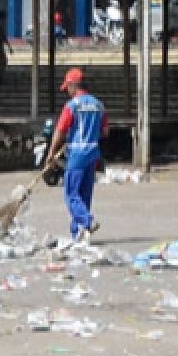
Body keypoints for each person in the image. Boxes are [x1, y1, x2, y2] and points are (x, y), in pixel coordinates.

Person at [45, 68, 108, 243]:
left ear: (73, 85)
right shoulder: (98, 105)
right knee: (84, 194)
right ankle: (78, 234)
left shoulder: (72, 106)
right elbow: (105, 132)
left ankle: (88, 221)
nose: (67, 91)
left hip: (78, 153)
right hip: (93, 153)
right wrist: (90, 132)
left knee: (71, 193)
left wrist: (51, 154)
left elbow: (59, 131)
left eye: (68, 88)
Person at [0, 10, 13, 83]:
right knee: (3, 61)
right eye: (5, 17)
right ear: (3, 18)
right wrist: (9, 47)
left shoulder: (1, 25)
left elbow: (3, 37)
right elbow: (3, 37)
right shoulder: (1, 25)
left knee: (3, 61)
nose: (6, 19)